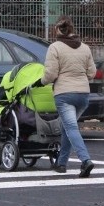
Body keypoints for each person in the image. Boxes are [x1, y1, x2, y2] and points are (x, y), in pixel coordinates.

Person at [39, 15, 97, 177]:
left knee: (71, 127)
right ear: (72, 29)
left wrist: (41, 82)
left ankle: (85, 160)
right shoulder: (85, 48)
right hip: (83, 95)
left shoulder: (55, 47)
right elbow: (92, 73)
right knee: (67, 127)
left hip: (64, 95)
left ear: (57, 30)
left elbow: (50, 75)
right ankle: (61, 163)